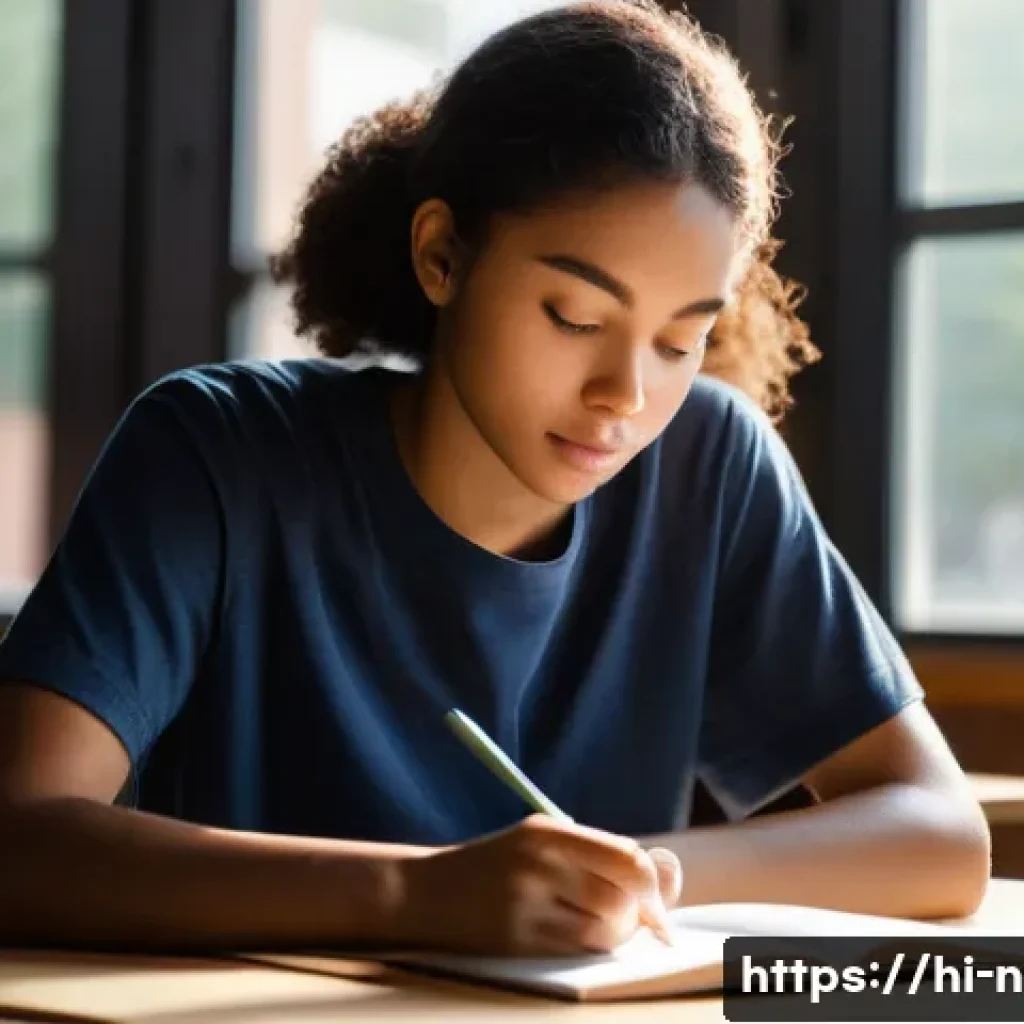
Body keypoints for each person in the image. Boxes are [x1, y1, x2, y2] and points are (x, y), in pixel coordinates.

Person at [0, 0, 989, 958]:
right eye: (572, 315)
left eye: (681, 338)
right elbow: (20, 837)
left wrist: (640, 873)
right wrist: (417, 892)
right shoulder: (216, 453)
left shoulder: (707, 464)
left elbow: (941, 835)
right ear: (441, 254)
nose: (625, 393)